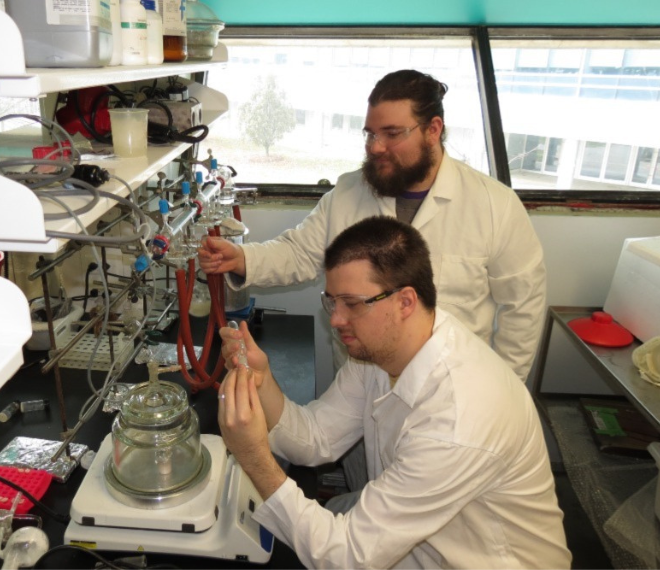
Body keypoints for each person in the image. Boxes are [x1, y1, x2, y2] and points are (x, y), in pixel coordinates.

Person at [217, 216, 570, 569]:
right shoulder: (381, 351)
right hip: (421, 542)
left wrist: (253, 455)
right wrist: (261, 381)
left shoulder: (458, 416)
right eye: (332, 302)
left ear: (405, 302)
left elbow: (346, 558)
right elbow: (316, 438)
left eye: (352, 303)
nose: (336, 320)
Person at [199, 69, 546, 383]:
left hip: (452, 388)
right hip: (362, 385)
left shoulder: (493, 205)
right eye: (370, 134)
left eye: (392, 133)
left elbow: (523, 308)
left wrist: (503, 388)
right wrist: (241, 258)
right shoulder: (350, 192)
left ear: (433, 130)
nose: (375, 147)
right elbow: (301, 253)